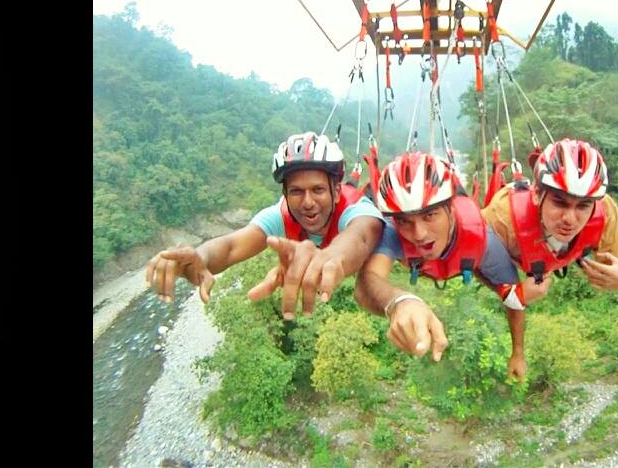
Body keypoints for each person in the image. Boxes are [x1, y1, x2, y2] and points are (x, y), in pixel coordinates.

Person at [144, 132, 384, 319]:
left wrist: (329, 259)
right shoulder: (280, 215)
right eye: (296, 192)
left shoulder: (357, 210)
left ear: (336, 191)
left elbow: (361, 237)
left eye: (318, 190)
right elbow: (230, 246)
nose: (308, 202)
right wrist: (199, 256)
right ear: (285, 194)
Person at [353, 152, 543, 368]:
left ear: (451, 209)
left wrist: (518, 353)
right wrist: (398, 302)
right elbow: (368, 281)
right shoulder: (392, 231)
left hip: (467, 256)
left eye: (430, 215)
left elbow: (513, 297)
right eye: (405, 221)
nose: (419, 234)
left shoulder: (482, 241)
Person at [480, 138, 618, 379]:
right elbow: (480, 267)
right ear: (536, 194)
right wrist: (511, 295)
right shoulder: (502, 219)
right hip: (519, 248)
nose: (570, 219)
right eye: (559, 203)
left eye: (583, 206)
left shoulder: (604, 213)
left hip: (554, 254)